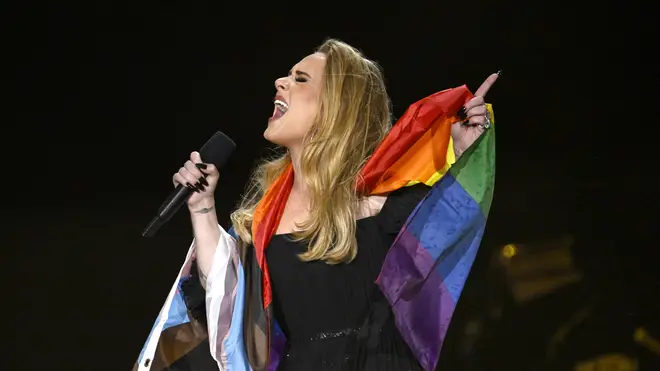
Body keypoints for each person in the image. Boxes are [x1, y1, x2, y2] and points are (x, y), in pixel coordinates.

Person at [135, 38, 498, 371]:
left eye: (300, 78)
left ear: (336, 105)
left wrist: (463, 155)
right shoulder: (263, 219)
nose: (280, 81)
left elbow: (451, 244)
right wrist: (201, 206)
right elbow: (225, 299)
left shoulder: (382, 202)